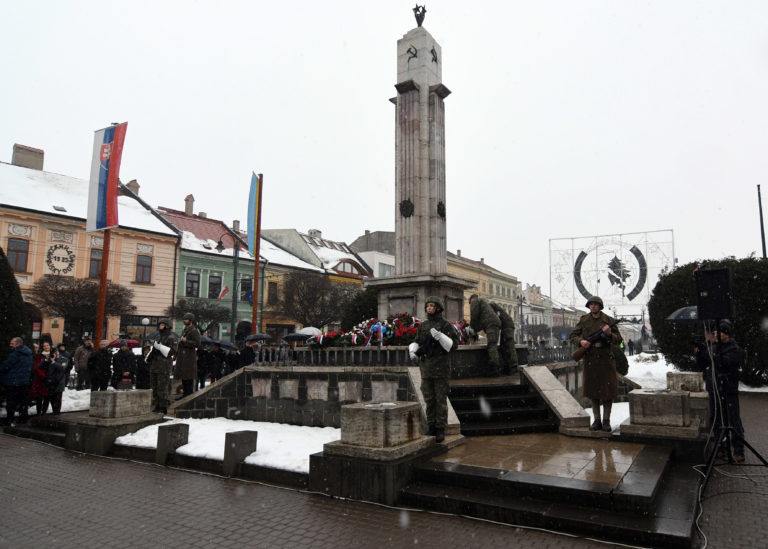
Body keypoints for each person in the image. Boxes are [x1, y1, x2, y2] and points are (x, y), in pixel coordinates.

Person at [409, 296, 460, 443]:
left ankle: (440, 428)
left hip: (441, 368)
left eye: (431, 305)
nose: (428, 308)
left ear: (437, 308)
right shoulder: (423, 326)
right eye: (427, 306)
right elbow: (417, 341)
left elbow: (454, 345)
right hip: (426, 368)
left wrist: (441, 337)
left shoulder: (445, 325)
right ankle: (431, 425)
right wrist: (413, 351)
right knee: (429, 399)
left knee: (440, 400)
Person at [695, 319, 746, 462]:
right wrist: (700, 352)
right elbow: (702, 364)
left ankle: (738, 450)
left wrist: (708, 354)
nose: (715, 334)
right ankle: (721, 448)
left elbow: (724, 362)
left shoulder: (734, 349)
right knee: (717, 419)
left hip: (728, 390)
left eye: (719, 331)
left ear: (726, 333)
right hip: (714, 389)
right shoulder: (713, 347)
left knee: (733, 420)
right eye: (715, 331)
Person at [569, 296, 622, 432]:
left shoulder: (608, 321)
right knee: (593, 391)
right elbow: (573, 336)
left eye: (596, 304)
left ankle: (606, 421)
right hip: (591, 359)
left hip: (605, 359)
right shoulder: (584, 320)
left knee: (607, 392)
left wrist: (610, 334)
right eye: (591, 304)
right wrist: (581, 342)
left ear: (600, 306)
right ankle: (597, 420)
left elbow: (618, 340)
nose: (593, 306)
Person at [0, 337, 34, 426]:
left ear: (18, 344)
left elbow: (5, 366)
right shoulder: (29, 354)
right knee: (23, 401)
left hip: (13, 382)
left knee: (11, 402)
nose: (10, 345)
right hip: (24, 382)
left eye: (12, 343)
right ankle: (23, 418)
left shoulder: (15, 354)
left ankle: (9, 420)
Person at [469, 294, 502, 376]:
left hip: (491, 324)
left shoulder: (476, 301)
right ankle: (496, 367)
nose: (470, 306)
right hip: (494, 323)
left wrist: (472, 327)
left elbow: (474, 316)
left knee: (491, 345)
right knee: (493, 344)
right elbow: (482, 320)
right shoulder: (483, 303)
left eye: (470, 303)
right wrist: (476, 329)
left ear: (471, 300)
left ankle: (495, 370)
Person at [149, 318, 177, 413]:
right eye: (160, 324)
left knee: (163, 387)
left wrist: (160, 347)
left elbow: (172, 351)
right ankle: (156, 405)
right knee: (155, 386)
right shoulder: (158, 336)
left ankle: (163, 406)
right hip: (155, 365)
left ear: (167, 326)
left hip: (164, 366)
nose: (160, 326)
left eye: (162, 324)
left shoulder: (171, 337)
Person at [489, 301, 519, 374]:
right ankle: (509, 367)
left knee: (509, 346)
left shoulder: (497, 312)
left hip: (507, 328)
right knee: (504, 346)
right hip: (506, 328)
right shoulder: (499, 311)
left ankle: (513, 366)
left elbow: (497, 322)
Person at [175, 313, 201, 396]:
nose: (184, 320)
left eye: (186, 319)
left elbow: (197, 343)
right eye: (184, 319)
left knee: (188, 377)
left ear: (190, 320)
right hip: (183, 356)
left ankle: (188, 394)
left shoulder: (194, 331)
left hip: (189, 357)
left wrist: (186, 341)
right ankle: (185, 394)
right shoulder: (185, 330)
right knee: (183, 376)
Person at [29, 341, 52, 415]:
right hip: (41, 379)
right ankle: (39, 412)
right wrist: (43, 376)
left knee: (47, 397)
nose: (46, 347)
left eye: (47, 345)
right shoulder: (39, 356)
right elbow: (37, 367)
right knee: (39, 397)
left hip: (50, 379)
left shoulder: (53, 355)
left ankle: (44, 411)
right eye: (44, 346)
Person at [45, 349, 68, 415]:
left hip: (59, 382)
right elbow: (41, 366)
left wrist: (54, 362)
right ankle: (54, 411)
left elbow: (62, 368)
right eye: (54, 352)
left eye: (57, 352)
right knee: (52, 398)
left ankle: (57, 412)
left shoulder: (63, 359)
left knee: (58, 399)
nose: (56, 353)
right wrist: (46, 360)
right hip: (51, 382)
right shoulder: (50, 359)